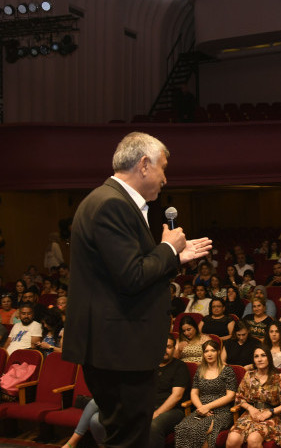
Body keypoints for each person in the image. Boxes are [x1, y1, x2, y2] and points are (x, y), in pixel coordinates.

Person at [64, 132, 212, 447]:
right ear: (144, 165)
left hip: (117, 349)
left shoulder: (108, 201)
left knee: (128, 437)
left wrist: (174, 257)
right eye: (163, 168)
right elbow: (131, 277)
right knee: (128, 440)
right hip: (120, 350)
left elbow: (127, 269)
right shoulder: (112, 206)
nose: (165, 179)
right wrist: (168, 249)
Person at [227, 346, 281, 448]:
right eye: (256, 356)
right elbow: (239, 398)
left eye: (263, 356)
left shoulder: (278, 377)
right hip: (251, 415)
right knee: (232, 439)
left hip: (272, 417)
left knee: (253, 439)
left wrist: (270, 412)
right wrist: (250, 408)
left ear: (269, 358)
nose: (260, 359)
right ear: (254, 360)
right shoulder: (248, 376)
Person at [175, 340, 237, 448]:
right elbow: (194, 393)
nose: (209, 354)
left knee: (197, 430)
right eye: (206, 351)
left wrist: (207, 407)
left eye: (213, 350)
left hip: (221, 412)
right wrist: (201, 408)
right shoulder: (200, 370)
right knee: (181, 428)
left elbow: (230, 396)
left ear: (218, 352)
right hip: (201, 410)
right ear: (203, 354)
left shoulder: (227, 371)